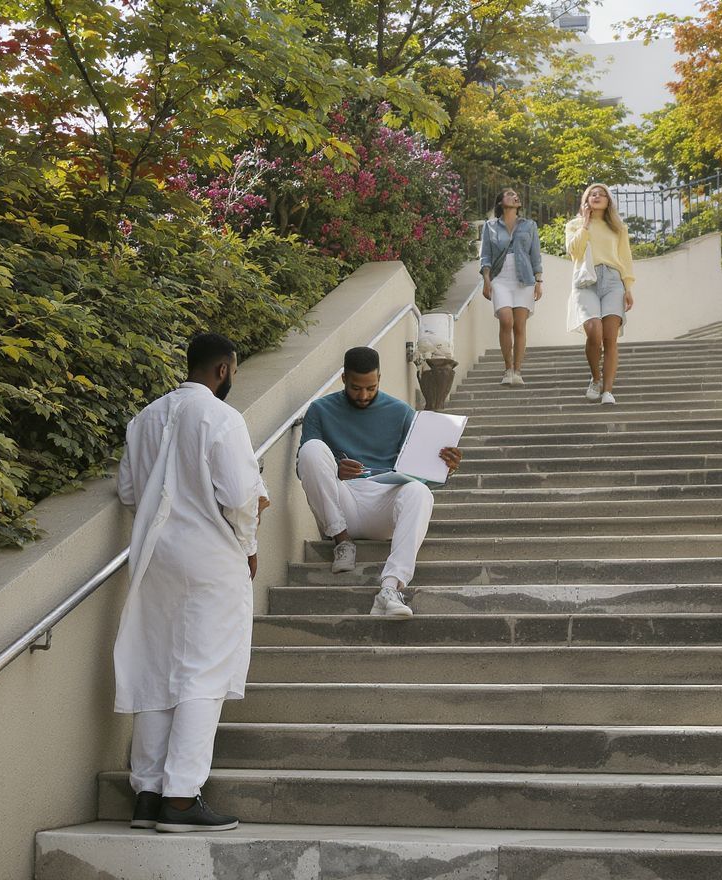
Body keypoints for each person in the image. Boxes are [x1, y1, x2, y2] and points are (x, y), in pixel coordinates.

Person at [113, 333, 269, 834]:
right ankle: (182, 798)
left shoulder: (144, 420)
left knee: (158, 670)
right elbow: (243, 495)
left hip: (156, 558)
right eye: (235, 371)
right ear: (223, 370)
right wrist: (248, 546)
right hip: (210, 558)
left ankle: (147, 795)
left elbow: (129, 491)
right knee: (205, 672)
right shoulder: (222, 418)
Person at [296, 346, 462, 618]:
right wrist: (335, 470)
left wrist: (446, 468)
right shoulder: (320, 409)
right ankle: (342, 542)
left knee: (419, 492)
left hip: (385, 502)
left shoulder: (400, 412)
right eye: (356, 388)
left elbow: (421, 473)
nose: (363, 395)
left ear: (380, 379)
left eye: (371, 388)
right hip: (342, 503)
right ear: (343, 379)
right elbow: (303, 467)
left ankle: (390, 588)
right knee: (312, 449)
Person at [565, 182, 636, 405]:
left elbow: (625, 259)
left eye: (602, 194)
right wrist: (585, 224)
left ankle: (607, 390)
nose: (597, 196)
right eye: (592, 194)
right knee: (594, 331)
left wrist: (628, 288)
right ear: (586, 200)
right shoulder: (574, 225)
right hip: (586, 281)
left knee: (610, 338)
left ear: (608, 202)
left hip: (614, 282)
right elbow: (574, 252)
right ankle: (596, 378)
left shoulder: (618, 228)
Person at [479, 188, 544, 386]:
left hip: (524, 279)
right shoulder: (490, 226)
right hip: (500, 278)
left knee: (519, 325)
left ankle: (517, 370)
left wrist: (538, 281)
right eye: (509, 194)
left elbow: (535, 255)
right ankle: (507, 369)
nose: (515, 196)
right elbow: (486, 256)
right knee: (506, 320)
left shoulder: (529, 225)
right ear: (500, 202)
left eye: (516, 194)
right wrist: (486, 279)